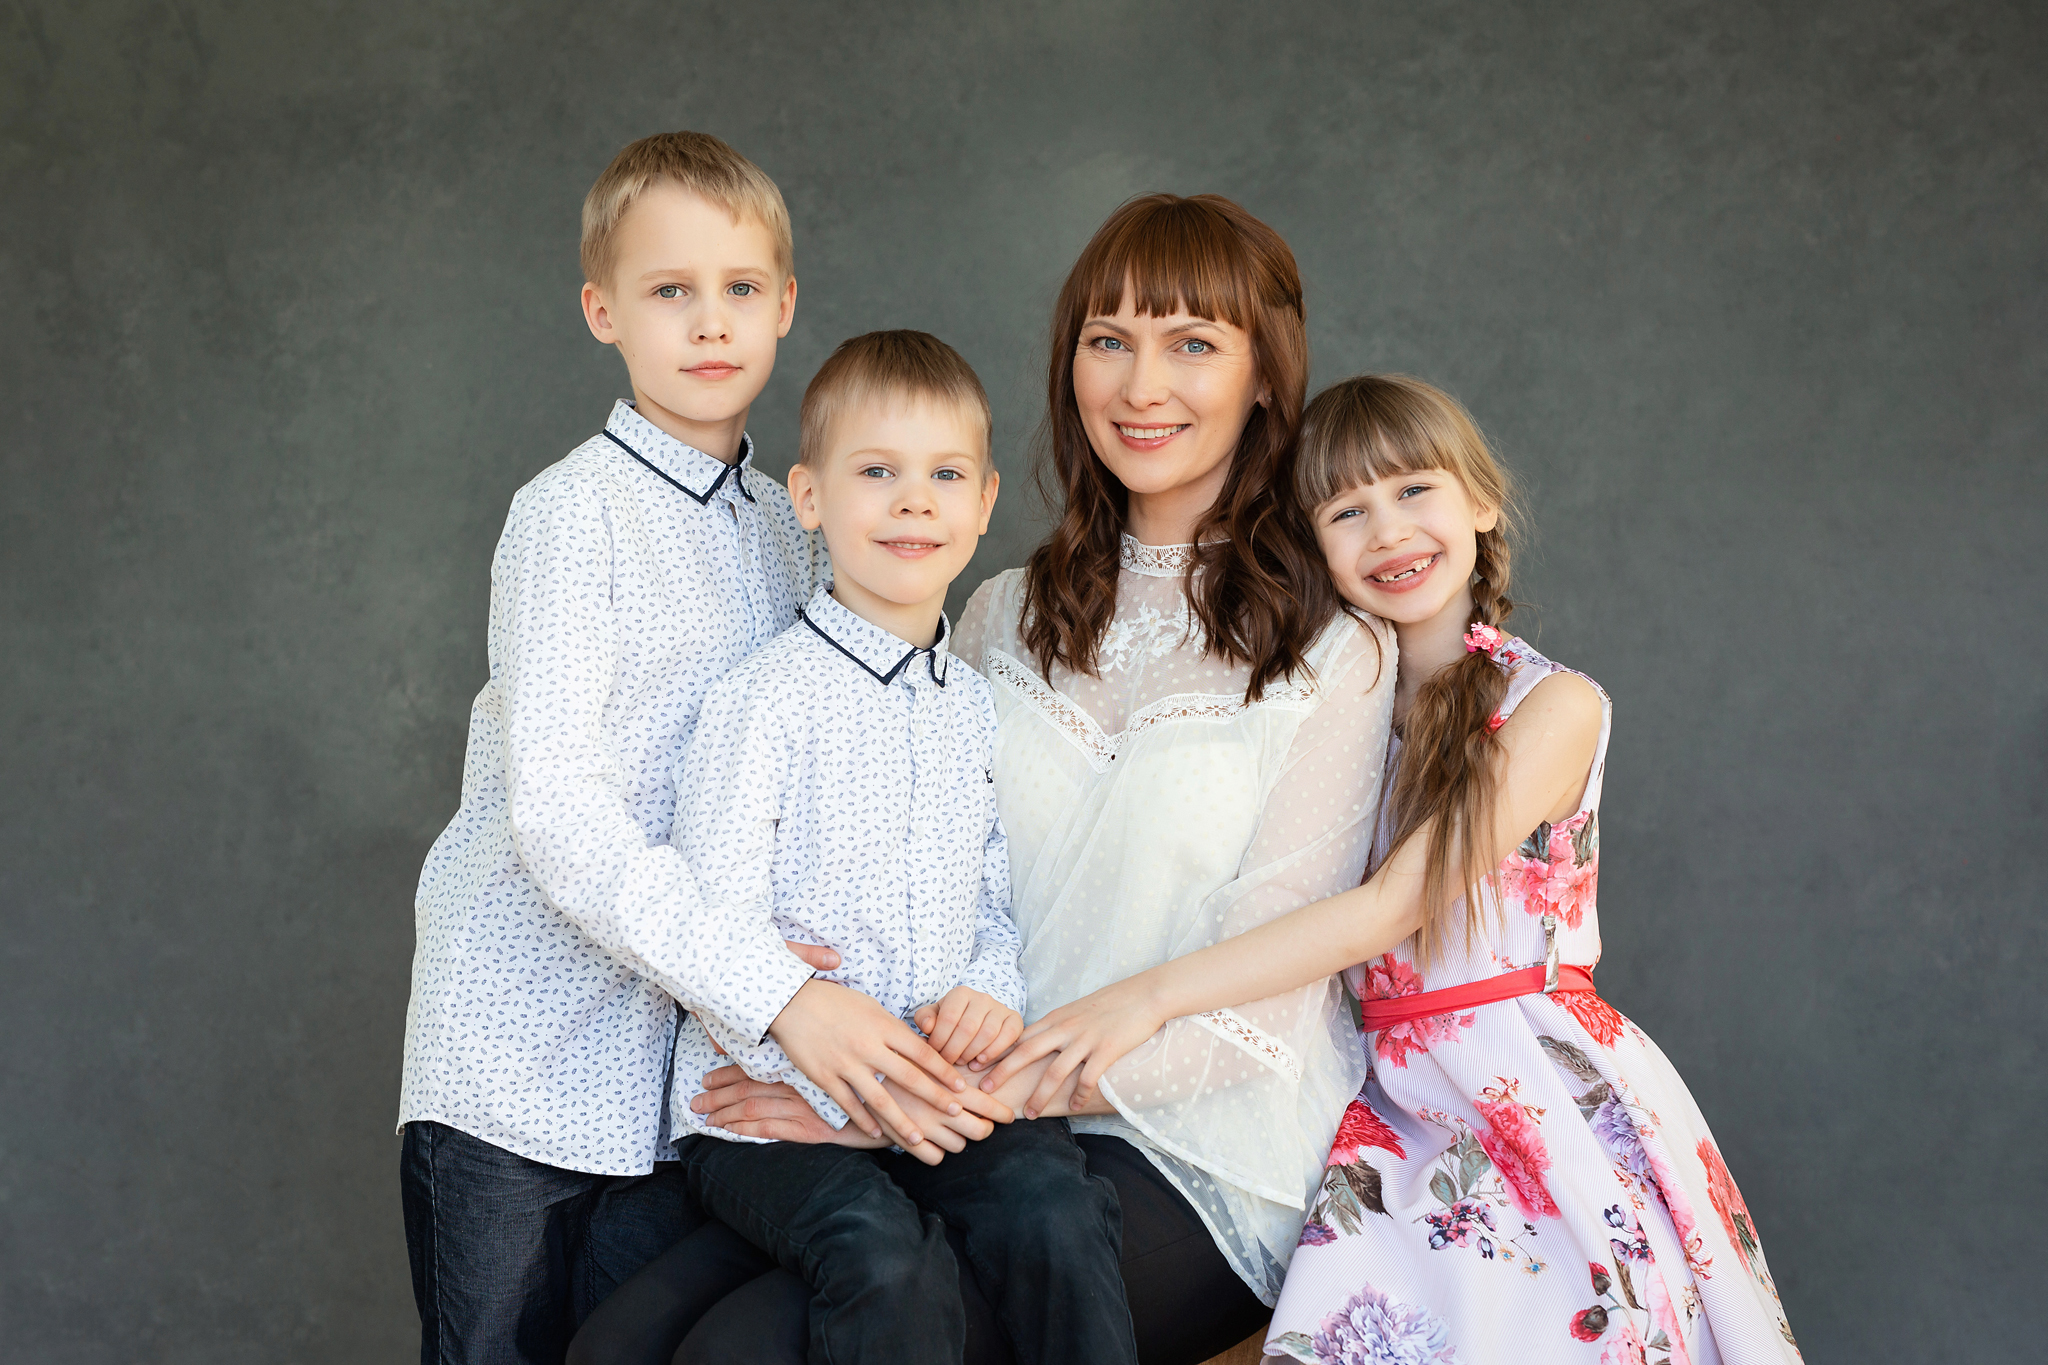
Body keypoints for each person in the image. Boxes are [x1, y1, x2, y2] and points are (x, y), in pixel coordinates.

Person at [673, 193, 1400, 1364]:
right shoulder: (996, 613)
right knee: (641, 1327)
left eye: (1191, 344)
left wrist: (906, 1108)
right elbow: (909, 883)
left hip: (1196, 1148)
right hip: (967, 1119)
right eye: (1107, 340)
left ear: (1266, 374)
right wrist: (813, 1022)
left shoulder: (1333, 649)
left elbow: (1254, 1018)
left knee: (755, 1352)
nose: (1140, 385)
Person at [999, 375, 1802, 1361]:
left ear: (1481, 501)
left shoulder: (1548, 707)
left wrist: (1148, 997)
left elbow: (1386, 907)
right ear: (1309, 544)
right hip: (1377, 1088)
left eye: (1413, 490)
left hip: (1518, 1078)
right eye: (1345, 511)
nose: (1387, 531)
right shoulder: (1329, 705)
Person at [397, 134, 970, 1363]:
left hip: (696, 1081)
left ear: (784, 306)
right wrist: (778, 990)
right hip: (523, 1051)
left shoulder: (801, 524)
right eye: (670, 290)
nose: (709, 322)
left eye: (739, 288)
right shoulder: (570, 516)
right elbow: (559, 811)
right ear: (603, 312)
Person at [570, 330, 1139, 1365]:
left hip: (930, 1086)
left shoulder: (973, 706)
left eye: (944, 476)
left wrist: (987, 990)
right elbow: (715, 931)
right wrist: (844, 1099)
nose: (913, 502)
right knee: (882, 1256)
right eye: (876, 472)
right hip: (769, 1108)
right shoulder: (763, 701)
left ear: (983, 502)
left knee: (1055, 1208)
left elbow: (990, 897)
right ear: (809, 496)